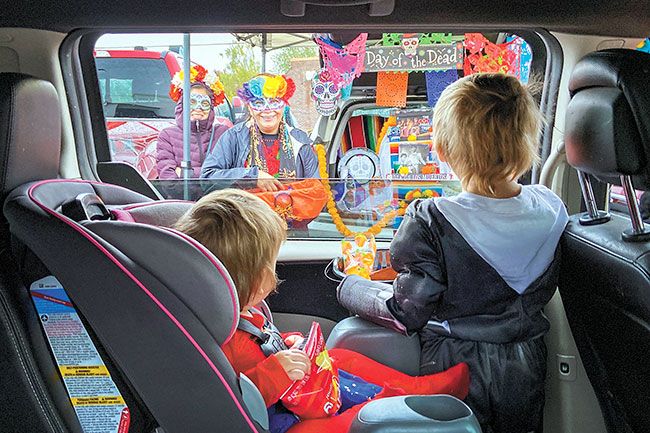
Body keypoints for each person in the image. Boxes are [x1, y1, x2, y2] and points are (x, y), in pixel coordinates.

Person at [337, 73, 570, 433]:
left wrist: (349, 287)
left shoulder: (430, 220)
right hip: (525, 362)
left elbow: (406, 313)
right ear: (526, 143)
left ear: (442, 150)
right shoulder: (552, 208)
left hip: (453, 363)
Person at [174, 189, 470, 433]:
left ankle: (418, 389)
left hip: (294, 395)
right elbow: (227, 406)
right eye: (270, 263)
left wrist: (287, 344)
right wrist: (273, 374)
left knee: (341, 357)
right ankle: (382, 408)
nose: (273, 269)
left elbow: (261, 345)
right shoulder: (218, 337)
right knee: (333, 426)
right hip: (280, 422)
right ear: (253, 278)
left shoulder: (245, 313)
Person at [200, 74, 318, 191]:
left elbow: (316, 189)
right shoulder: (233, 137)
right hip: (245, 209)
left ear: (283, 106)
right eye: (259, 103)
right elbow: (207, 178)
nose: (267, 110)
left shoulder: (300, 141)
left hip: (292, 208)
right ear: (250, 108)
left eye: (274, 102)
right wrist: (251, 176)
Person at [156, 65, 231, 179]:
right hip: (181, 196)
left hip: (216, 196)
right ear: (182, 104)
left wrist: (184, 173)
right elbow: (168, 179)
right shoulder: (167, 136)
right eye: (192, 102)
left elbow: (230, 175)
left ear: (211, 106)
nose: (198, 108)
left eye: (204, 103)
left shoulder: (223, 133)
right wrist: (212, 173)